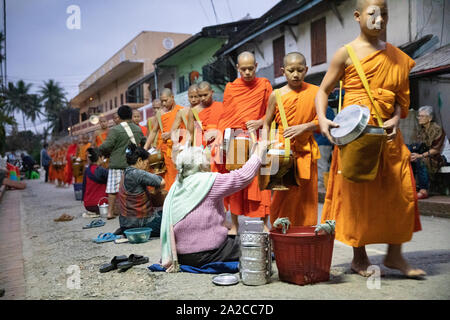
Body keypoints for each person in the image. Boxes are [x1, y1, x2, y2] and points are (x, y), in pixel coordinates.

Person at [315, 0, 425, 278]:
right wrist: (323, 118)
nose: (380, 20)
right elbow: (323, 91)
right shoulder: (346, 53)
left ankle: (395, 255)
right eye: (373, 13)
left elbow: (402, 102)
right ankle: (359, 257)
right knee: (357, 197)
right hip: (356, 136)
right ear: (357, 16)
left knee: (401, 192)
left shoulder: (397, 57)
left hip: (388, 136)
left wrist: (397, 118)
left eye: (384, 14)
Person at [160, 141, 268, 269]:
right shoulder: (208, 181)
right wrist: (258, 153)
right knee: (260, 246)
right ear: (200, 165)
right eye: (206, 160)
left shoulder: (176, 185)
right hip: (207, 253)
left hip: (181, 255)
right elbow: (243, 176)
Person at [211, 51, 272, 234]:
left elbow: (273, 112)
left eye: (250, 69)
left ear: (256, 67)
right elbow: (226, 116)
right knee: (236, 180)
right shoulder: (231, 88)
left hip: (258, 136)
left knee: (262, 182)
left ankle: (263, 222)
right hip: (236, 137)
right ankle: (235, 224)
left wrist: (261, 122)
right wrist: (221, 137)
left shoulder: (264, 85)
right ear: (237, 68)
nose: (247, 72)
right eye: (243, 69)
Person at [263, 52, 320, 228]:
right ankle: (280, 234)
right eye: (291, 70)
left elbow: (322, 121)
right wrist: (266, 147)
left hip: (305, 150)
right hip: (282, 150)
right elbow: (266, 123)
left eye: (300, 70)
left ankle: (304, 234)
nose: (296, 74)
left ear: (306, 70)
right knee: (282, 196)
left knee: (306, 198)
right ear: (283, 71)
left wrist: (304, 127)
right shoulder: (276, 95)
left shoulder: (316, 92)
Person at [99, 105, 145, 220]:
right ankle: (131, 212)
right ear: (130, 116)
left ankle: (110, 213)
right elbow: (143, 142)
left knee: (112, 190)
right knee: (131, 189)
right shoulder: (137, 129)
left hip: (117, 164)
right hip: (132, 164)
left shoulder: (115, 129)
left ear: (119, 117)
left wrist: (100, 150)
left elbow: (107, 145)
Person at [116, 143, 165, 236]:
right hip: (139, 225)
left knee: (161, 213)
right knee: (170, 218)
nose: (147, 167)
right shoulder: (137, 173)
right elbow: (162, 182)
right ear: (139, 160)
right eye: (146, 163)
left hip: (125, 225)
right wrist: (156, 191)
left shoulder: (125, 172)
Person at [144, 89, 184, 191]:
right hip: (164, 150)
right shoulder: (160, 114)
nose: (164, 103)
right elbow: (153, 131)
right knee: (166, 178)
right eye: (162, 101)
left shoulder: (181, 110)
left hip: (179, 149)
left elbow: (188, 131)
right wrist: (145, 148)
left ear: (172, 97)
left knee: (179, 176)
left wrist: (172, 134)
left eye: (166, 100)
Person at [409, 106, 447, 199]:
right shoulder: (421, 130)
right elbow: (417, 145)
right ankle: (412, 187)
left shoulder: (436, 129)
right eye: (419, 116)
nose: (419, 118)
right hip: (428, 155)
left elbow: (436, 150)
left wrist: (420, 155)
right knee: (409, 157)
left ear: (429, 118)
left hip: (440, 157)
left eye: (422, 116)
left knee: (421, 160)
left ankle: (424, 190)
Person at [187, 81, 223, 148]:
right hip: (201, 147)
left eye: (205, 95)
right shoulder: (194, 111)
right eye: (200, 96)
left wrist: (217, 133)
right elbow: (190, 134)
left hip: (219, 144)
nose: (203, 98)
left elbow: (227, 127)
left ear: (212, 92)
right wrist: (187, 149)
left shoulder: (221, 107)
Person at [81, 147, 108, 218]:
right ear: (99, 158)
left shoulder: (87, 170)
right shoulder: (101, 170)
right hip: (100, 205)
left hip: (88, 205)